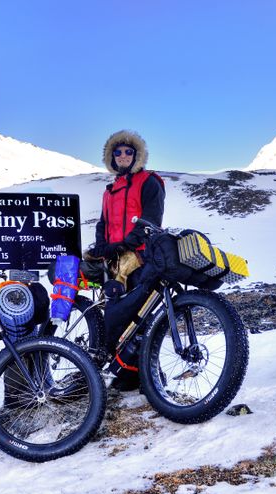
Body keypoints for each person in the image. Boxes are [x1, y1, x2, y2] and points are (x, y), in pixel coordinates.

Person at [90, 130, 166, 390]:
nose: (123, 156)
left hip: (140, 258)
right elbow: (103, 222)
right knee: (116, 316)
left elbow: (151, 220)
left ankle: (144, 374)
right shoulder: (109, 190)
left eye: (128, 152)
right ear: (111, 157)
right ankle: (125, 375)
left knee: (138, 317)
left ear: (137, 155)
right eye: (118, 152)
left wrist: (124, 245)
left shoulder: (149, 182)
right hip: (114, 263)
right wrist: (102, 247)